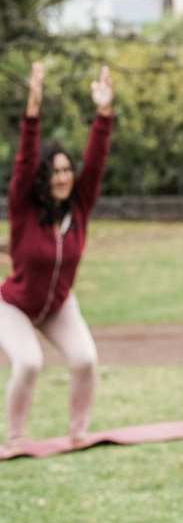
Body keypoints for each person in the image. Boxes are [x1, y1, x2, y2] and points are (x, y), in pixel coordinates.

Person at [0, 62, 114, 457]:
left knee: (85, 359)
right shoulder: (23, 208)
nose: (63, 177)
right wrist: (33, 105)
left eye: (67, 170)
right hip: (13, 304)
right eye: (55, 171)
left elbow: (96, 163)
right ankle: (14, 440)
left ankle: (78, 432)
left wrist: (103, 114)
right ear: (43, 177)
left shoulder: (79, 207)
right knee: (28, 361)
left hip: (58, 305)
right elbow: (24, 160)